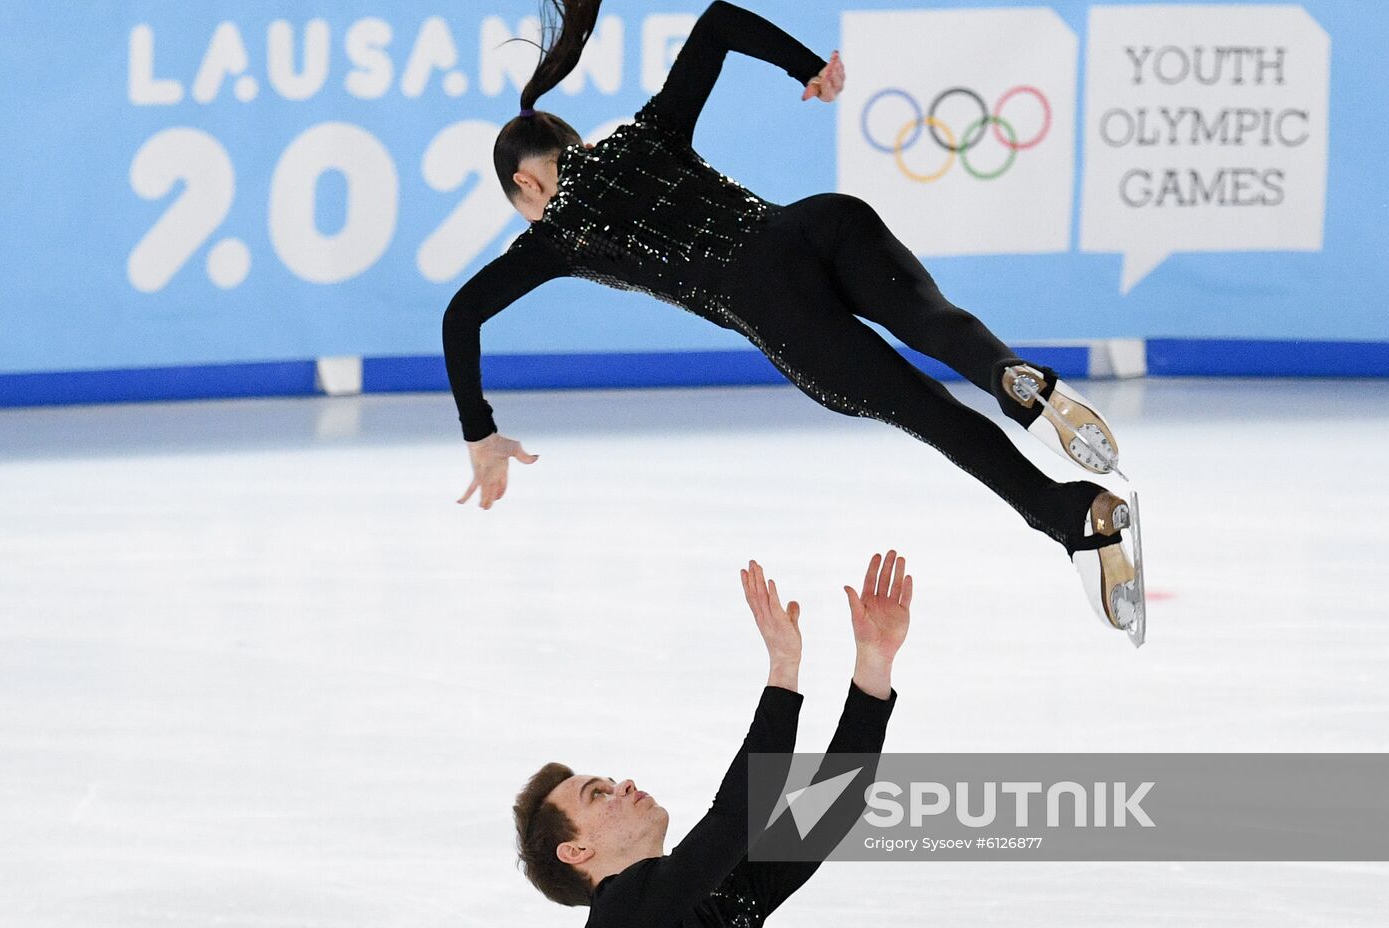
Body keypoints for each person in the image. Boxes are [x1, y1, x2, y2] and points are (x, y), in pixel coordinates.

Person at [443, 1, 1141, 633]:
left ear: (527, 185)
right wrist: (810, 69)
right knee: (935, 318)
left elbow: (461, 315)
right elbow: (717, 21)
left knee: (934, 413)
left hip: (777, 311)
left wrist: (481, 432)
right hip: (818, 223)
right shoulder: (645, 134)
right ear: (580, 146)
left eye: (524, 206)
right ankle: (1013, 376)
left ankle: (1073, 515)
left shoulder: (557, 233)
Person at [512, 551, 910, 928]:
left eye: (610, 783)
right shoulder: (619, 919)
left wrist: (874, 664)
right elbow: (740, 814)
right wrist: (783, 670)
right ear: (576, 852)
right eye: (597, 794)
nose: (623, 784)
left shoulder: (714, 901)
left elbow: (830, 809)